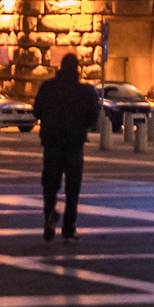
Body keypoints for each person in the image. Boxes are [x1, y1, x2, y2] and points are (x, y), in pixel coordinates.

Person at [30, 53, 101, 243]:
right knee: (72, 188)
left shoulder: (48, 87)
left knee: (50, 185)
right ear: (77, 68)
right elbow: (93, 117)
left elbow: (37, 111)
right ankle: (69, 228)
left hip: (52, 143)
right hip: (74, 144)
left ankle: (49, 214)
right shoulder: (85, 92)